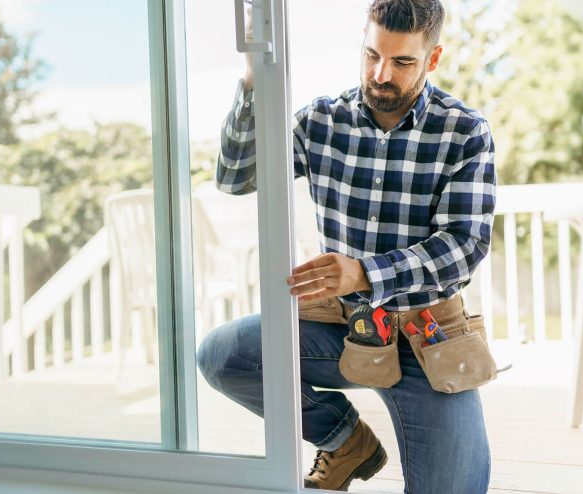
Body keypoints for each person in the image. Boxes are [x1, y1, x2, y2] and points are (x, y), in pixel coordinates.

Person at [196, 0, 496, 491]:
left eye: (402, 62)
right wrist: (252, 80)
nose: (382, 74)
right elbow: (234, 177)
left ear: (433, 59)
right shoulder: (320, 120)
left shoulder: (464, 131)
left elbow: (465, 245)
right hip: (344, 328)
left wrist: (365, 272)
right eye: (372, 55)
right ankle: (343, 439)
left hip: (427, 337)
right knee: (223, 356)